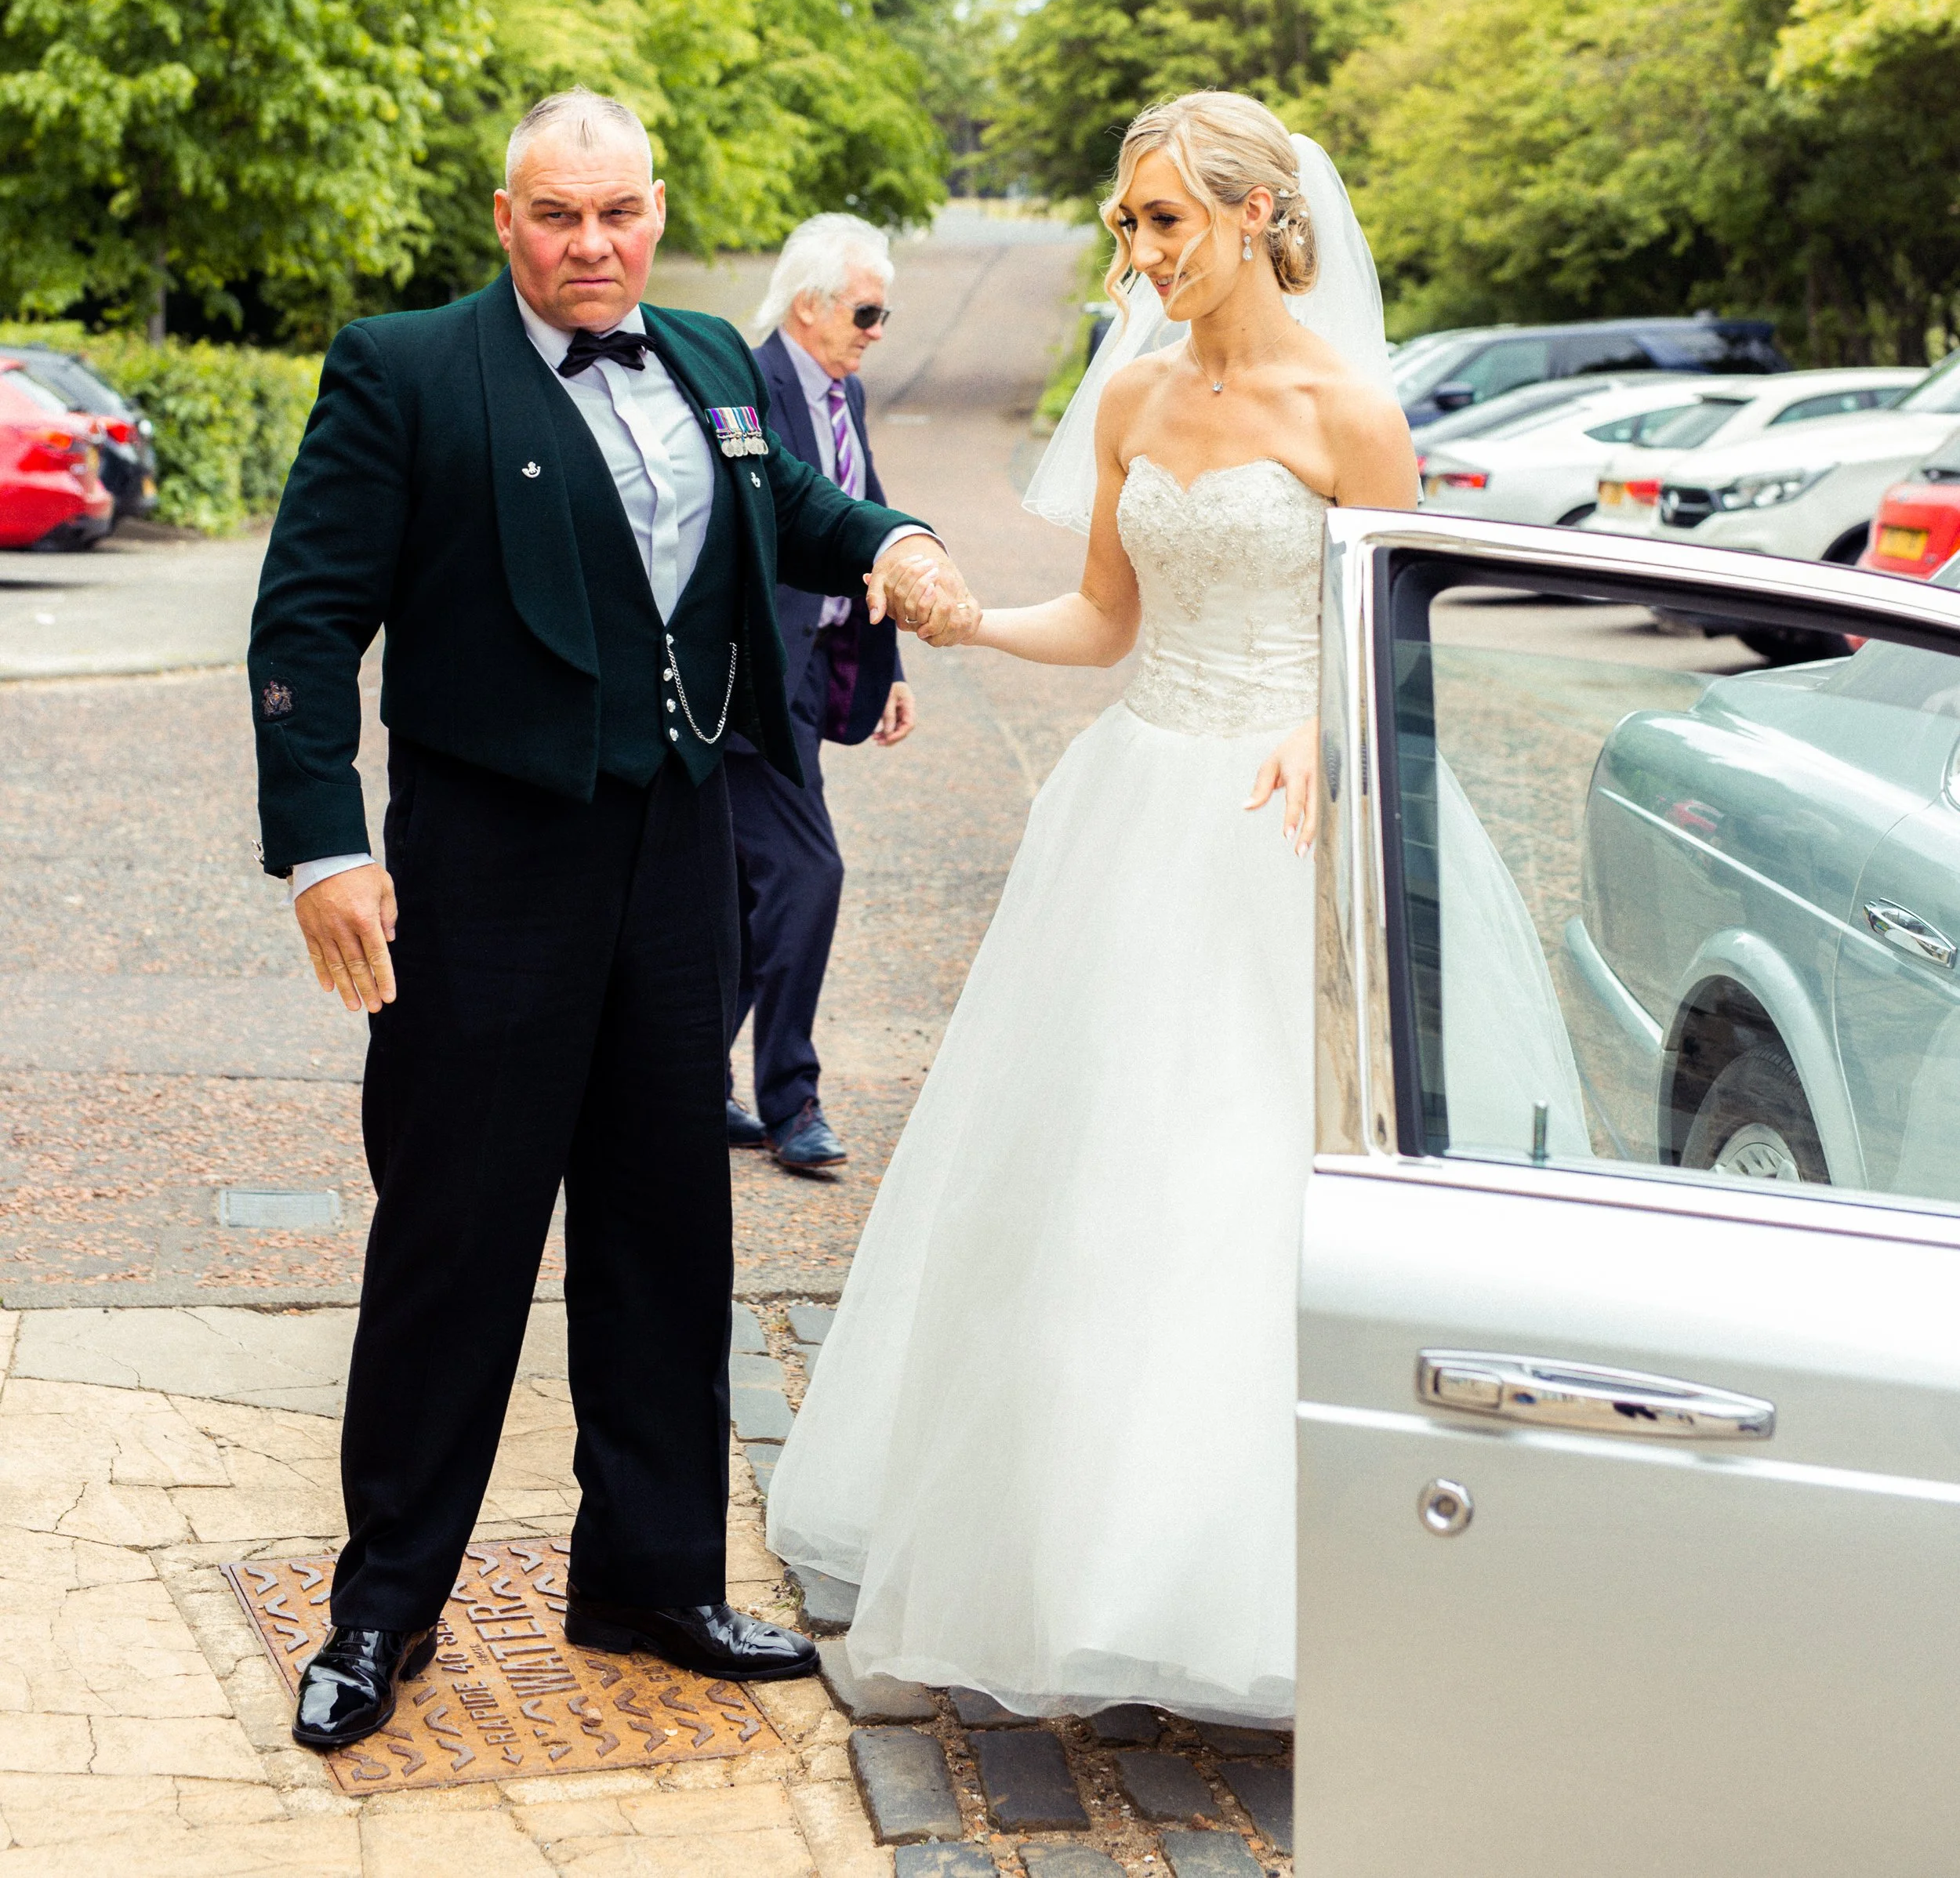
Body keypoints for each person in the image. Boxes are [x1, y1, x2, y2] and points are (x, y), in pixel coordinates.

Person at [766, 88, 1587, 1724]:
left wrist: (1312, 722)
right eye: (1125, 221)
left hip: (1290, 833)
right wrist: (971, 623)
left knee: (1250, 1187)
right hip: (1136, 811)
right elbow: (1100, 617)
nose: (1136, 252)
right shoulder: (1132, 399)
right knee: (1093, 1181)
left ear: (1254, 220)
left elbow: (1392, 643)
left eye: (1162, 222)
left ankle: (1282, 1589)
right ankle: (1078, 1569)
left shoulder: (1347, 410)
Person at [248, 90, 972, 1756]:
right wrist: (322, 852)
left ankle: (647, 1575)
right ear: (504, 215)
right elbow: (304, 619)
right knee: (456, 1238)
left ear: (655, 213)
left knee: (666, 1229)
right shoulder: (406, 369)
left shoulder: (716, 357)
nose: (591, 247)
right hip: (486, 868)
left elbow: (789, 505)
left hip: (678, 853)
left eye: (618, 215)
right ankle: (382, 1607)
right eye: (557, 217)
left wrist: (896, 541)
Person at [727, 213, 915, 1173]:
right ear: (809, 305)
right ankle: (791, 1100)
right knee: (807, 874)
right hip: (751, 680)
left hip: (817, 675)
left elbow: (859, 528)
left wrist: (890, 670)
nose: (878, 330)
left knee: (737, 886)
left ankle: (677, 1071)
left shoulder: (848, 395)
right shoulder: (748, 389)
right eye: (867, 311)